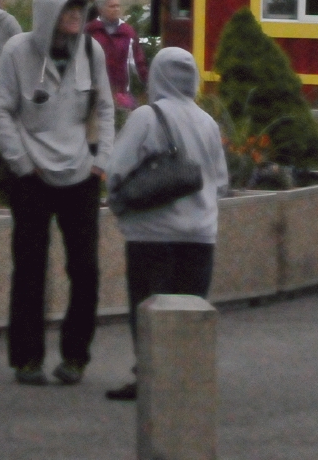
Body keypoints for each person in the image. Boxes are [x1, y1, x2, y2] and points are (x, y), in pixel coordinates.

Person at [0, 0, 115, 387]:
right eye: (67, 10)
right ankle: (27, 359)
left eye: (79, 9)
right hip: (32, 177)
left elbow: (107, 109)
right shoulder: (17, 52)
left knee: (86, 269)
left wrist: (101, 163)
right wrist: (22, 163)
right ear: (47, 16)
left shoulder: (90, 51)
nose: (76, 16)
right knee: (29, 268)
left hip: (81, 175)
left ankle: (75, 357)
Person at [102, 47, 228, 401]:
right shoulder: (207, 121)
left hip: (151, 234)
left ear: (156, 75)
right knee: (188, 313)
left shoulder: (146, 117)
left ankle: (149, 379)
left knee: (149, 312)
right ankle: (184, 383)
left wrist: (120, 204)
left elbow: (117, 169)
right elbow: (219, 180)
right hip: (200, 236)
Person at [87, 0, 146, 112]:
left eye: (118, 6)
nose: (116, 9)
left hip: (121, 93)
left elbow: (138, 61)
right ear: (101, 10)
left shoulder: (128, 32)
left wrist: (147, 82)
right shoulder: (90, 31)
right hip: (94, 91)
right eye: (112, 6)